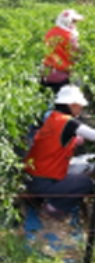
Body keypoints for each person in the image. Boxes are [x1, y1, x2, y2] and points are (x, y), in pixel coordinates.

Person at [23, 84, 95, 221]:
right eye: (80, 105)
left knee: (82, 164)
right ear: (72, 105)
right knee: (86, 183)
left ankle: (43, 199)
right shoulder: (68, 122)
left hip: (34, 176)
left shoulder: (53, 117)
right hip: (44, 180)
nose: (81, 108)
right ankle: (54, 209)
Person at [43, 9, 84, 92]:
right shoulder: (70, 36)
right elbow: (76, 55)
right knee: (79, 87)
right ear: (68, 22)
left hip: (46, 72)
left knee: (49, 99)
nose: (74, 24)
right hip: (63, 74)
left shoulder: (50, 32)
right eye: (74, 22)